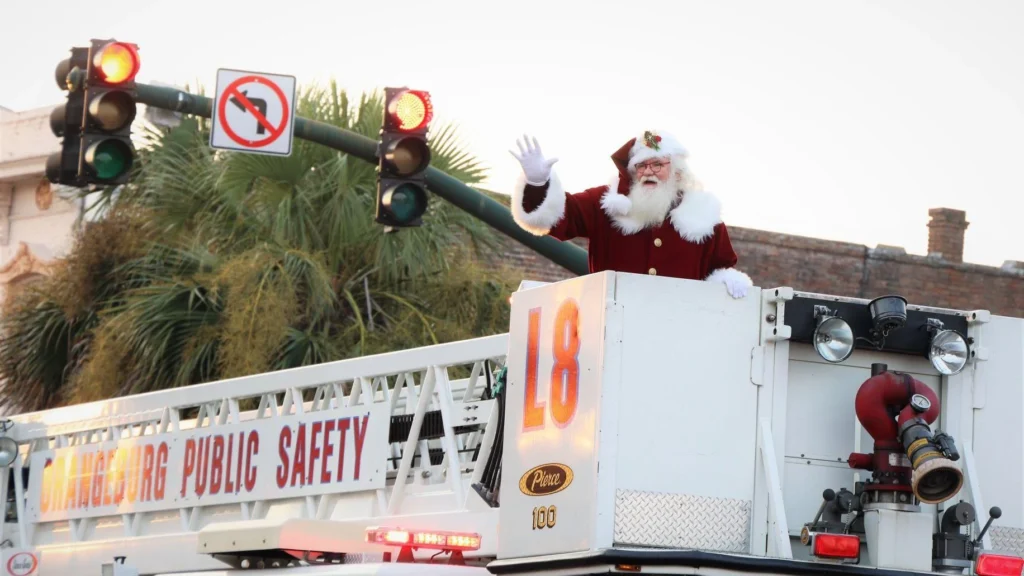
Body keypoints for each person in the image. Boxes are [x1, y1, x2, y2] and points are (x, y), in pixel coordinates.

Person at [508, 130, 753, 299]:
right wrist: (538, 183)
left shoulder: (704, 218)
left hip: (677, 335)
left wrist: (726, 283)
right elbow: (562, 215)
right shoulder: (606, 203)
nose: (649, 171)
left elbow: (720, 269)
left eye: (657, 164)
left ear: (677, 172)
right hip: (612, 331)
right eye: (642, 165)